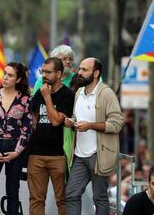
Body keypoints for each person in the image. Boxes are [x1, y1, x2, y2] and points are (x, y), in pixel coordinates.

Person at [64, 57, 124, 215]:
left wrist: (90, 126)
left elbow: (117, 123)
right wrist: (72, 122)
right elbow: (79, 118)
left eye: (84, 70)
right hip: (78, 155)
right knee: (71, 194)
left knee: (100, 198)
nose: (79, 72)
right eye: (80, 69)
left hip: (99, 155)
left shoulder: (106, 94)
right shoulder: (78, 93)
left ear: (96, 73)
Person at [0, 62, 32, 215]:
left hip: (15, 148)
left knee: (12, 191)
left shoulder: (25, 100)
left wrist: (16, 152)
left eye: (10, 75)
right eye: (4, 73)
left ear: (18, 79)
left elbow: (27, 129)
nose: (5, 77)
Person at [27, 57, 75, 215]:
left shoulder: (67, 95)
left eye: (48, 72)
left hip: (58, 155)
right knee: (36, 199)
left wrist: (47, 97)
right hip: (36, 154)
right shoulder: (40, 91)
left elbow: (55, 121)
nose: (44, 75)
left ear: (59, 74)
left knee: (62, 199)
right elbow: (33, 118)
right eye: (42, 71)